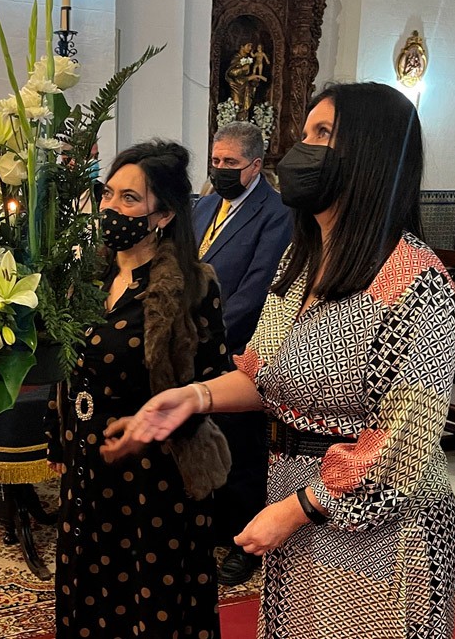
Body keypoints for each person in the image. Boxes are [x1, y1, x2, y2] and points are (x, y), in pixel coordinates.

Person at [114, 82, 455, 637]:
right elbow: (261, 374)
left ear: (369, 154)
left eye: (322, 134)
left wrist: (299, 508)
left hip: (381, 531)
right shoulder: (302, 264)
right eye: (304, 134)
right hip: (295, 499)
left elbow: (403, 444)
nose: (300, 150)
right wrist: (193, 397)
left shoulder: (415, 281)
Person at [47, 140, 231, 639]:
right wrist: (58, 432)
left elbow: (214, 383)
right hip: (90, 464)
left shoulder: (193, 285)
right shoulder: (88, 275)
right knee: (88, 592)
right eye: (108, 195)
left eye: (130, 199)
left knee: (149, 603)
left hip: (155, 478)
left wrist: (155, 423)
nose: (111, 208)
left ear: (164, 214)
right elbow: (69, 360)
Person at [196, 120, 292, 585]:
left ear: (255, 166)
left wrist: (207, 339)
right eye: (216, 161)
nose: (220, 170)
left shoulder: (277, 214)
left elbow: (257, 288)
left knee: (240, 450)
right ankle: (211, 525)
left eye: (230, 163)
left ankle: (243, 543)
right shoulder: (207, 204)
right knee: (202, 441)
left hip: (239, 349)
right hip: (192, 344)